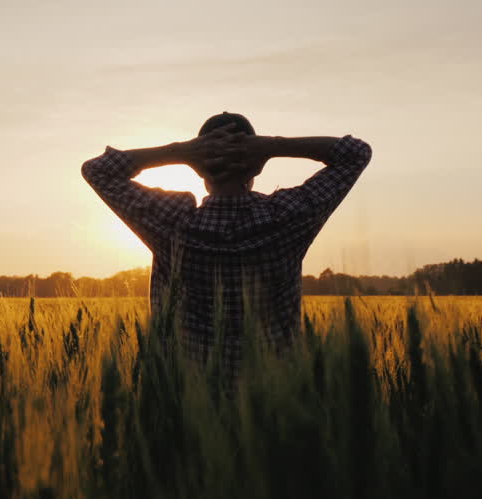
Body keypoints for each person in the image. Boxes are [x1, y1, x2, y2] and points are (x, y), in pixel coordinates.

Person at [81, 112, 372, 373]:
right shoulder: (288, 216)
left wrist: (181, 151)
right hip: (275, 399)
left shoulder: (171, 221)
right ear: (257, 168)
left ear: (198, 169)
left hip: (185, 399)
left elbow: (98, 170)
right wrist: (272, 146)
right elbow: (355, 153)